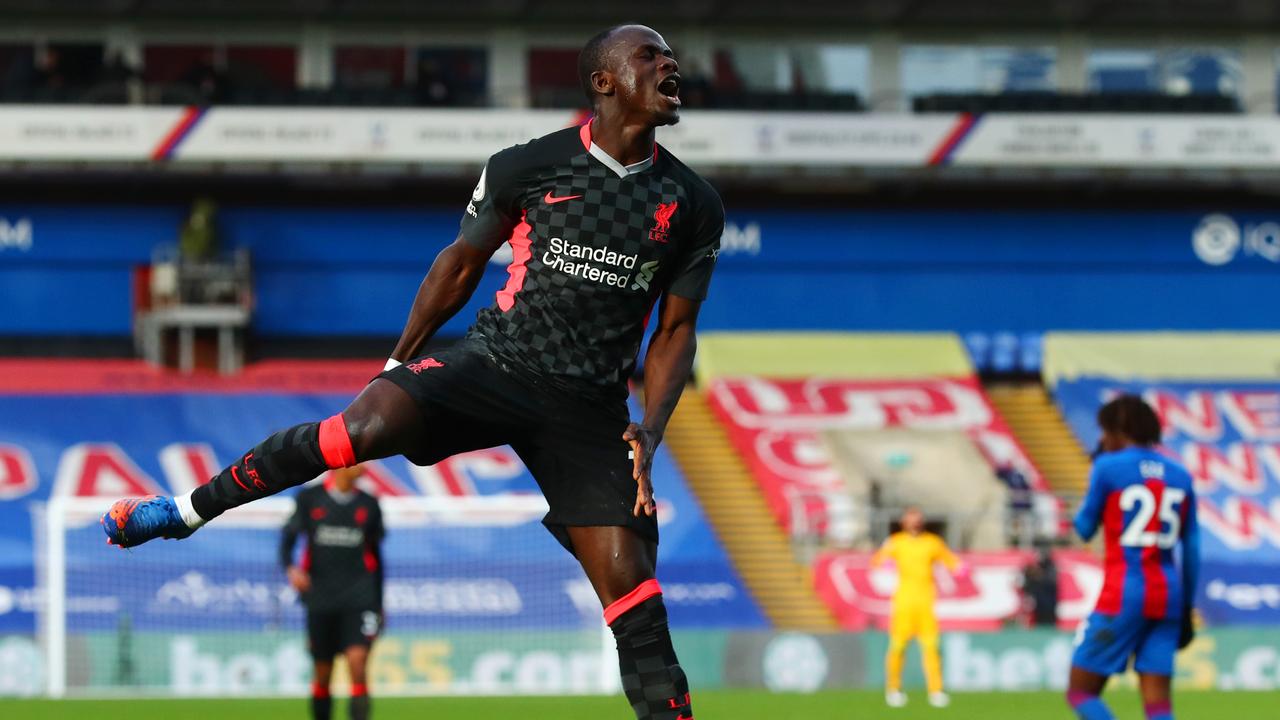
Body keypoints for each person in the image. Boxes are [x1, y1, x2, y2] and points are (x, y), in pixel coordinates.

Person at [102, 23, 717, 720]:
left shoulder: (693, 203)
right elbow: (458, 266)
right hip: (498, 362)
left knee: (637, 602)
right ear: (604, 82)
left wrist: (653, 428)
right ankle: (182, 513)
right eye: (650, 54)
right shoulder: (527, 166)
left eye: (669, 55)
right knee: (353, 431)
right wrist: (396, 363)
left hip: (591, 408)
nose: (670, 62)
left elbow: (676, 330)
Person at [1066, 395, 1200, 720]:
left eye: (1104, 430)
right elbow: (1192, 550)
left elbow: (1083, 528)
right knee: (1158, 705)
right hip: (1169, 595)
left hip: (1124, 591)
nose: (1101, 438)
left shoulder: (1108, 467)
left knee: (1080, 692)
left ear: (1118, 430)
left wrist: (1094, 477)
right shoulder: (1180, 475)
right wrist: (1185, 610)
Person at [281, 465, 384, 720]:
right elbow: (288, 539)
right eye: (359, 460)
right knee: (323, 672)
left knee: (358, 664)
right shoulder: (309, 498)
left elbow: (376, 557)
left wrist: (379, 603)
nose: (364, 465)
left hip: (360, 596)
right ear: (342, 466)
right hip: (321, 596)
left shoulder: (369, 504)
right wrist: (291, 568)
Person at [871, 506, 962, 708]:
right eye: (911, 519)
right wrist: (885, 564)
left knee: (931, 647)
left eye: (918, 518)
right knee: (897, 646)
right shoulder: (896, 542)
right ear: (904, 521)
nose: (915, 522)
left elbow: (952, 562)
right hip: (903, 603)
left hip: (926, 603)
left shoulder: (932, 542)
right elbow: (877, 561)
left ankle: (936, 691)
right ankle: (893, 689)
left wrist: (961, 569)